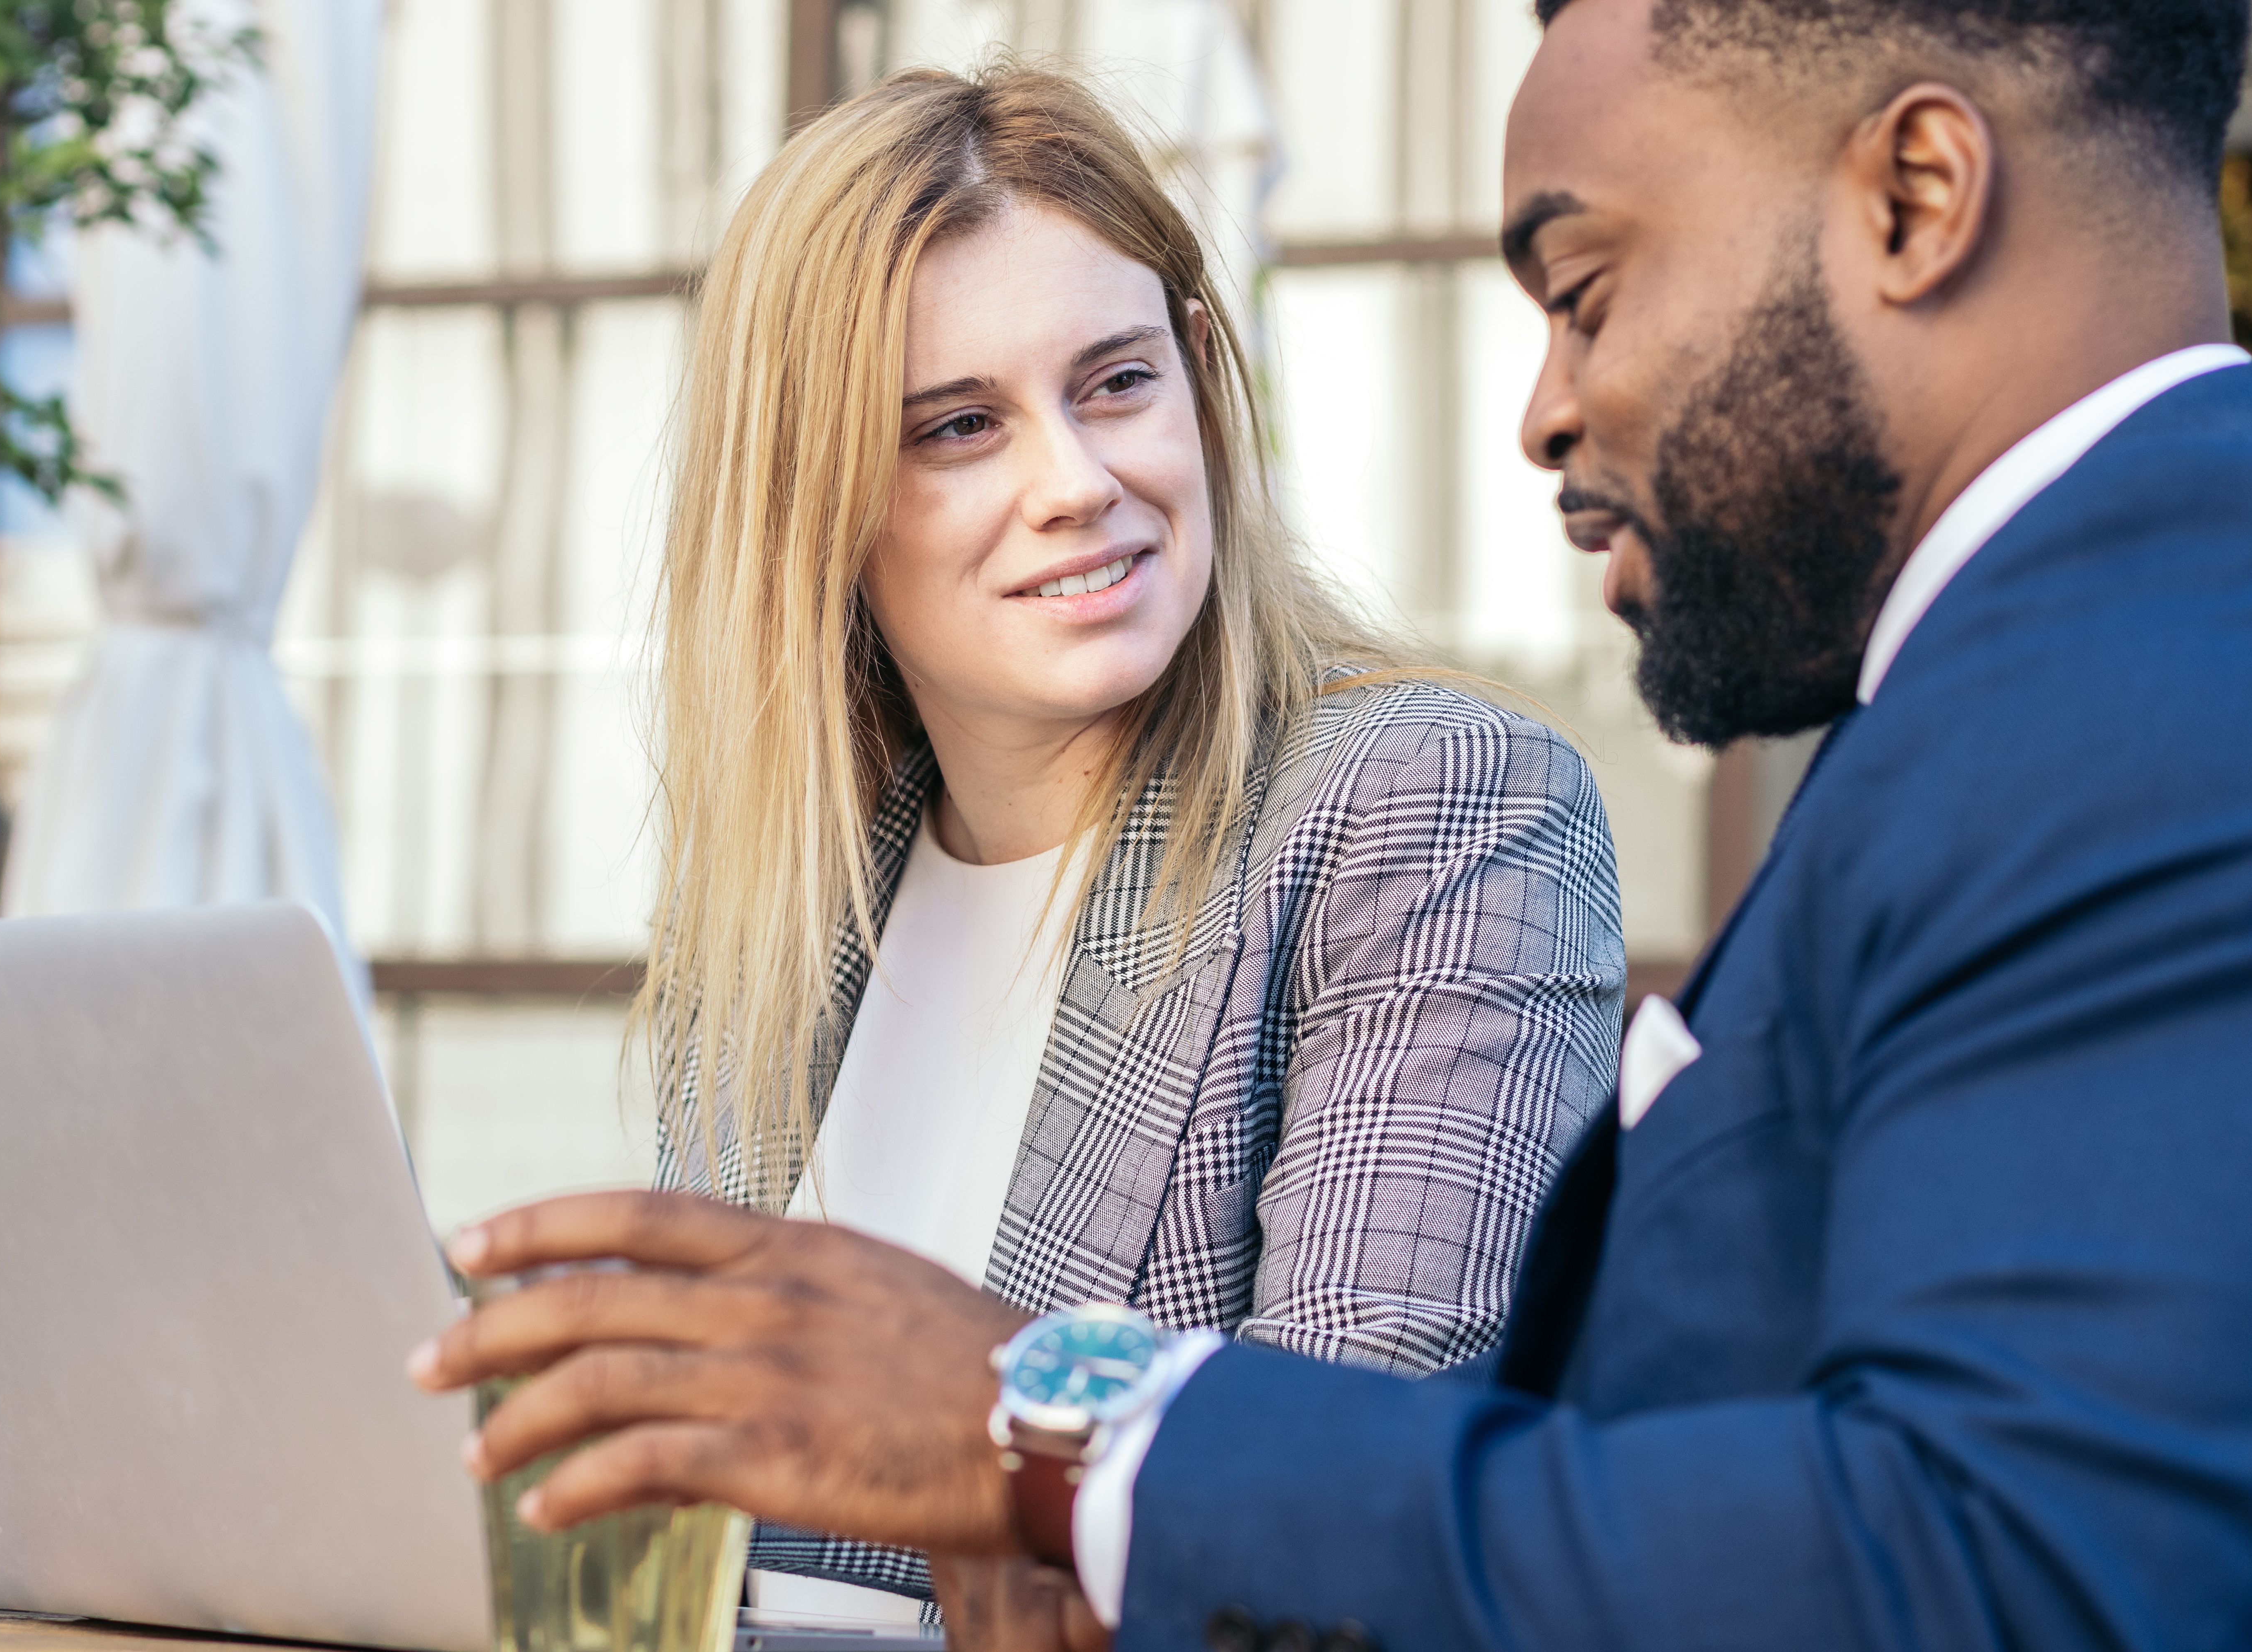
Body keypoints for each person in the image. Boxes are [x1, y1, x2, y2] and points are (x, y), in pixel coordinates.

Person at [410, 0, 2252, 1645]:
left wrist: (1049, 1420)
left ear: (1918, 197)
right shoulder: (2053, 682)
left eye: (1585, 290)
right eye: (956, 425)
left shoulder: (2175, 685)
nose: (1541, 410)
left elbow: (2008, 1561)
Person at [619, 63, 1623, 1635]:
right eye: (960, 427)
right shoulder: (779, 921)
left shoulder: (1424, 806)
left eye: (1116, 383)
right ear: (813, 508)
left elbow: (1345, 1539)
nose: (1077, 485)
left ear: (1201, 383)